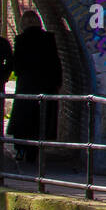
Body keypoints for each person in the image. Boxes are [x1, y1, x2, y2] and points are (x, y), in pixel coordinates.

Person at [7, 10, 63, 163]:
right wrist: (57, 83)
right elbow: (56, 63)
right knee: (41, 120)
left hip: (27, 86)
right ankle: (36, 150)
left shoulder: (21, 40)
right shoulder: (48, 39)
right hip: (47, 86)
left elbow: (17, 66)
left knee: (23, 119)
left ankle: (21, 149)